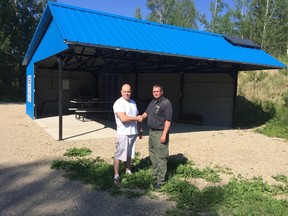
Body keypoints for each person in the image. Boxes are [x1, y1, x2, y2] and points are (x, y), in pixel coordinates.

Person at [141, 84, 173, 189]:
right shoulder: (153, 102)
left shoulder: (166, 103)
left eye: (157, 91)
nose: (155, 93)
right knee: (152, 153)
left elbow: (168, 121)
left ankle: (161, 181)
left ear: (162, 92)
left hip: (160, 132)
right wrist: (140, 118)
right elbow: (146, 113)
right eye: (154, 91)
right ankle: (155, 172)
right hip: (152, 132)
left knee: (161, 156)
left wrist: (164, 135)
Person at [113, 84, 143, 187]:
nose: (127, 93)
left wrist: (140, 130)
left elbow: (137, 117)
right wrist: (137, 119)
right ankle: (116, 176)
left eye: (128, 91)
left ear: (131, 92)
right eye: (125, 91)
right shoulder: (118, 103)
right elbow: (123, 119)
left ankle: (128, 170)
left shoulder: (133, 103)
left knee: (129, 154)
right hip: (123, 133)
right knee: (119, 154)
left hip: (132, 132)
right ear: (121, 92)